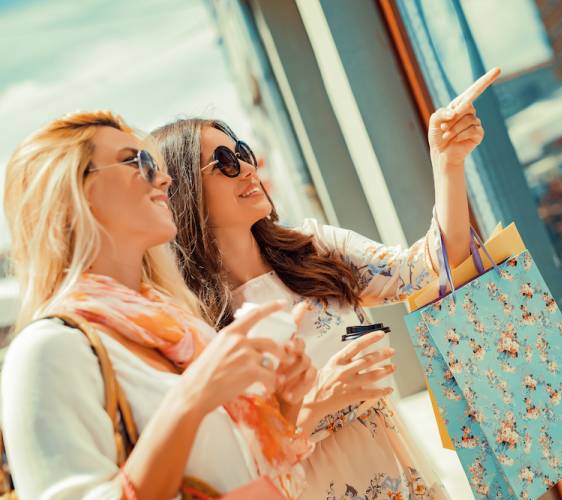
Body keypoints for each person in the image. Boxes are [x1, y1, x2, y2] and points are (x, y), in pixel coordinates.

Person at [151, 68, 501, 498]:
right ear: (186, 192)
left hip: (401, 475)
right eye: (223, 163)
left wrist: (447, 164)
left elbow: (426, 271)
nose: (246, 167)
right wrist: (318, 401)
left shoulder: (316, 249)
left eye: (242, 152)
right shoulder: (191, 322)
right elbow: (229, 458)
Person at [0, 111, 384, 499]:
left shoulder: (179, 327)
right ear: (77, 192)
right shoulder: (49, 348)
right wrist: (193, 396)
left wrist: (286, 401)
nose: (164, 178)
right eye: (140, 162)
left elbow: (244, 470)